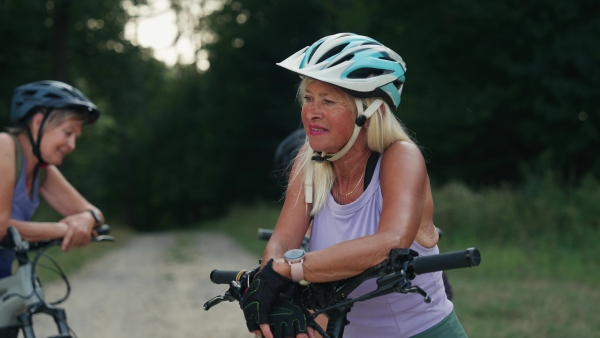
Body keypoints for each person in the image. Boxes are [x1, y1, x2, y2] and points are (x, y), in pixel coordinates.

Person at [242, 33, 466, 338]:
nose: (312, 112)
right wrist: (271, 292)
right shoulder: (308, 163)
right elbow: (282, 243)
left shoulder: (400, 158)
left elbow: (390, 242)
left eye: (329, 101)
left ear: (371, 112)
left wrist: (288, 271)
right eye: (308, 98)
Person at [0, 80, 105, 279]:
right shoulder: (4, 146)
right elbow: (1, 227)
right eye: (68, 132)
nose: (72, 145)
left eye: (76, 137)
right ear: (38, 123)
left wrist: (88, 218)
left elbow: (92, 212)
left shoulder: (43, 170)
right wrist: (63, 229)